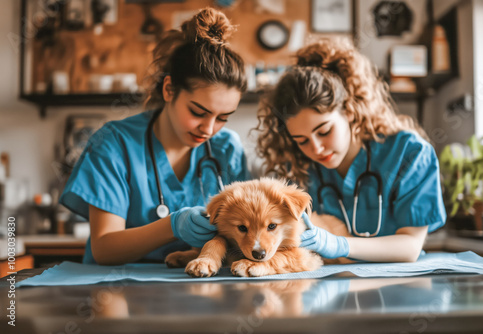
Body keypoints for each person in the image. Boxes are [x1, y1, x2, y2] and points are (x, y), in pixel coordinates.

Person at [60, 8, 250, 265]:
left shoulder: (227, 149)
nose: (209, 128)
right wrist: (172, 226)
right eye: (198, 112)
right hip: (119, 291)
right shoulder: (113, 144)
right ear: (169, 89)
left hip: (202, 293)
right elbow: (104, 248)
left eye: (223, 117)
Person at [256, 39, 446, 263]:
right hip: (329, 287)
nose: (316, 148)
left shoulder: (409, 153)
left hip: (399, 286)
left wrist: (339, 244)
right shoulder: (298, 166)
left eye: (324, 131)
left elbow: (410, 247)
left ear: (349, 111)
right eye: (301, 140)